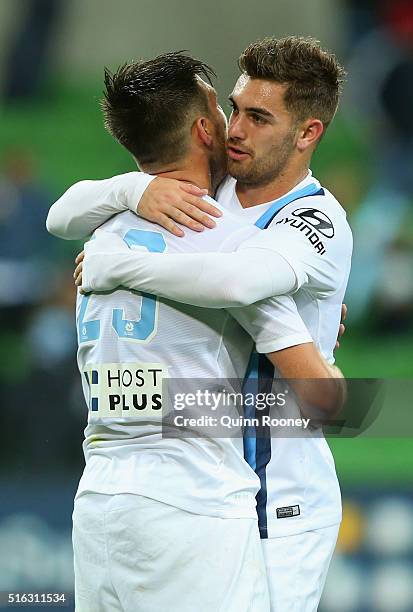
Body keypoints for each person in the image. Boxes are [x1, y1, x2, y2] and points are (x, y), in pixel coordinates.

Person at [47, 38, 351, 611]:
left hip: (269, 498)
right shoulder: (206, 213)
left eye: (258, 118)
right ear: (203, 128)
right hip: (202, 492)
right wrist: (131, 187)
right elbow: (59, 212)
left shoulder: (310, 221)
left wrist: (118, 263)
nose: (236, 129)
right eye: (232, 109)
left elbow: (237, 283)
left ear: (307, 133)